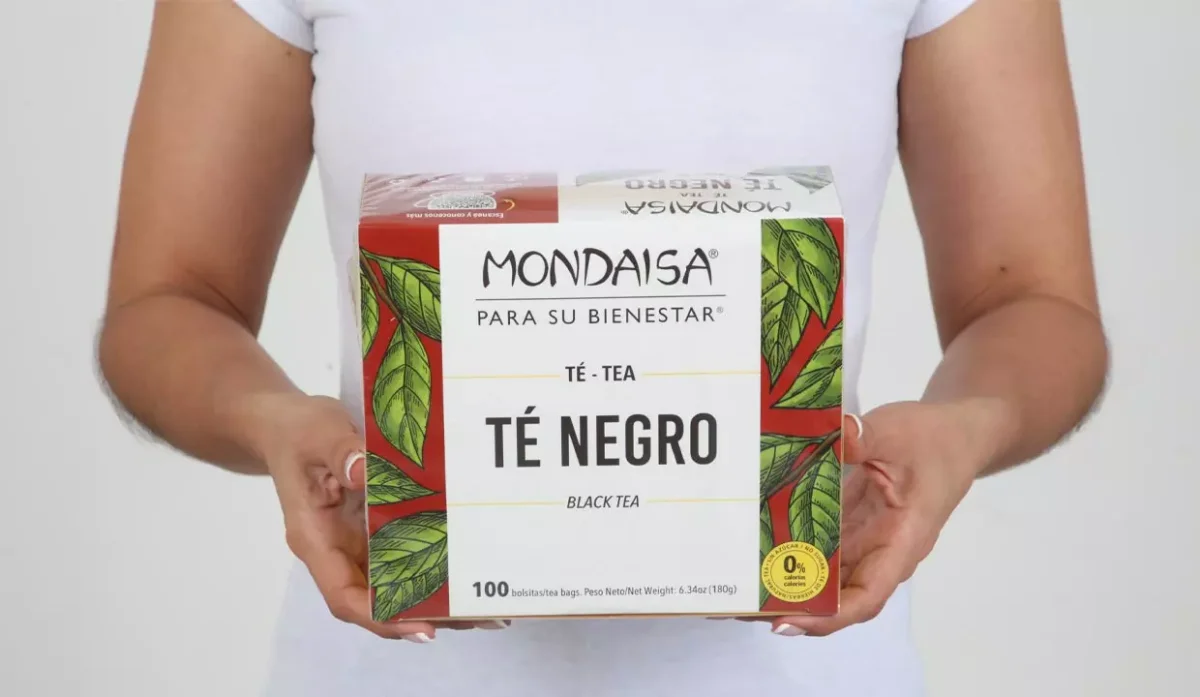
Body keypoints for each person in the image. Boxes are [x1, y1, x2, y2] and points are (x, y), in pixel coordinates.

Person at [97, 0, 1108, 695]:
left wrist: (964, 427)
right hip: (388, 667)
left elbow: (1035, 302)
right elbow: (167, 299)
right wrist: (275, 423)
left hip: (809, 659)